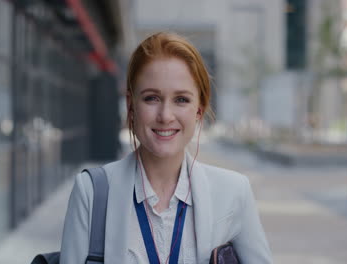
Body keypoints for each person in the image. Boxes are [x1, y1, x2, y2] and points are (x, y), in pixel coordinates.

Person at [60, 32, 272, 264]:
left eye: (181, 100)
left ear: (199, 109)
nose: (165, 116)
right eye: (152, 98)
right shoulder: (91, 192)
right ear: (131, 105)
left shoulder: (234, 192)